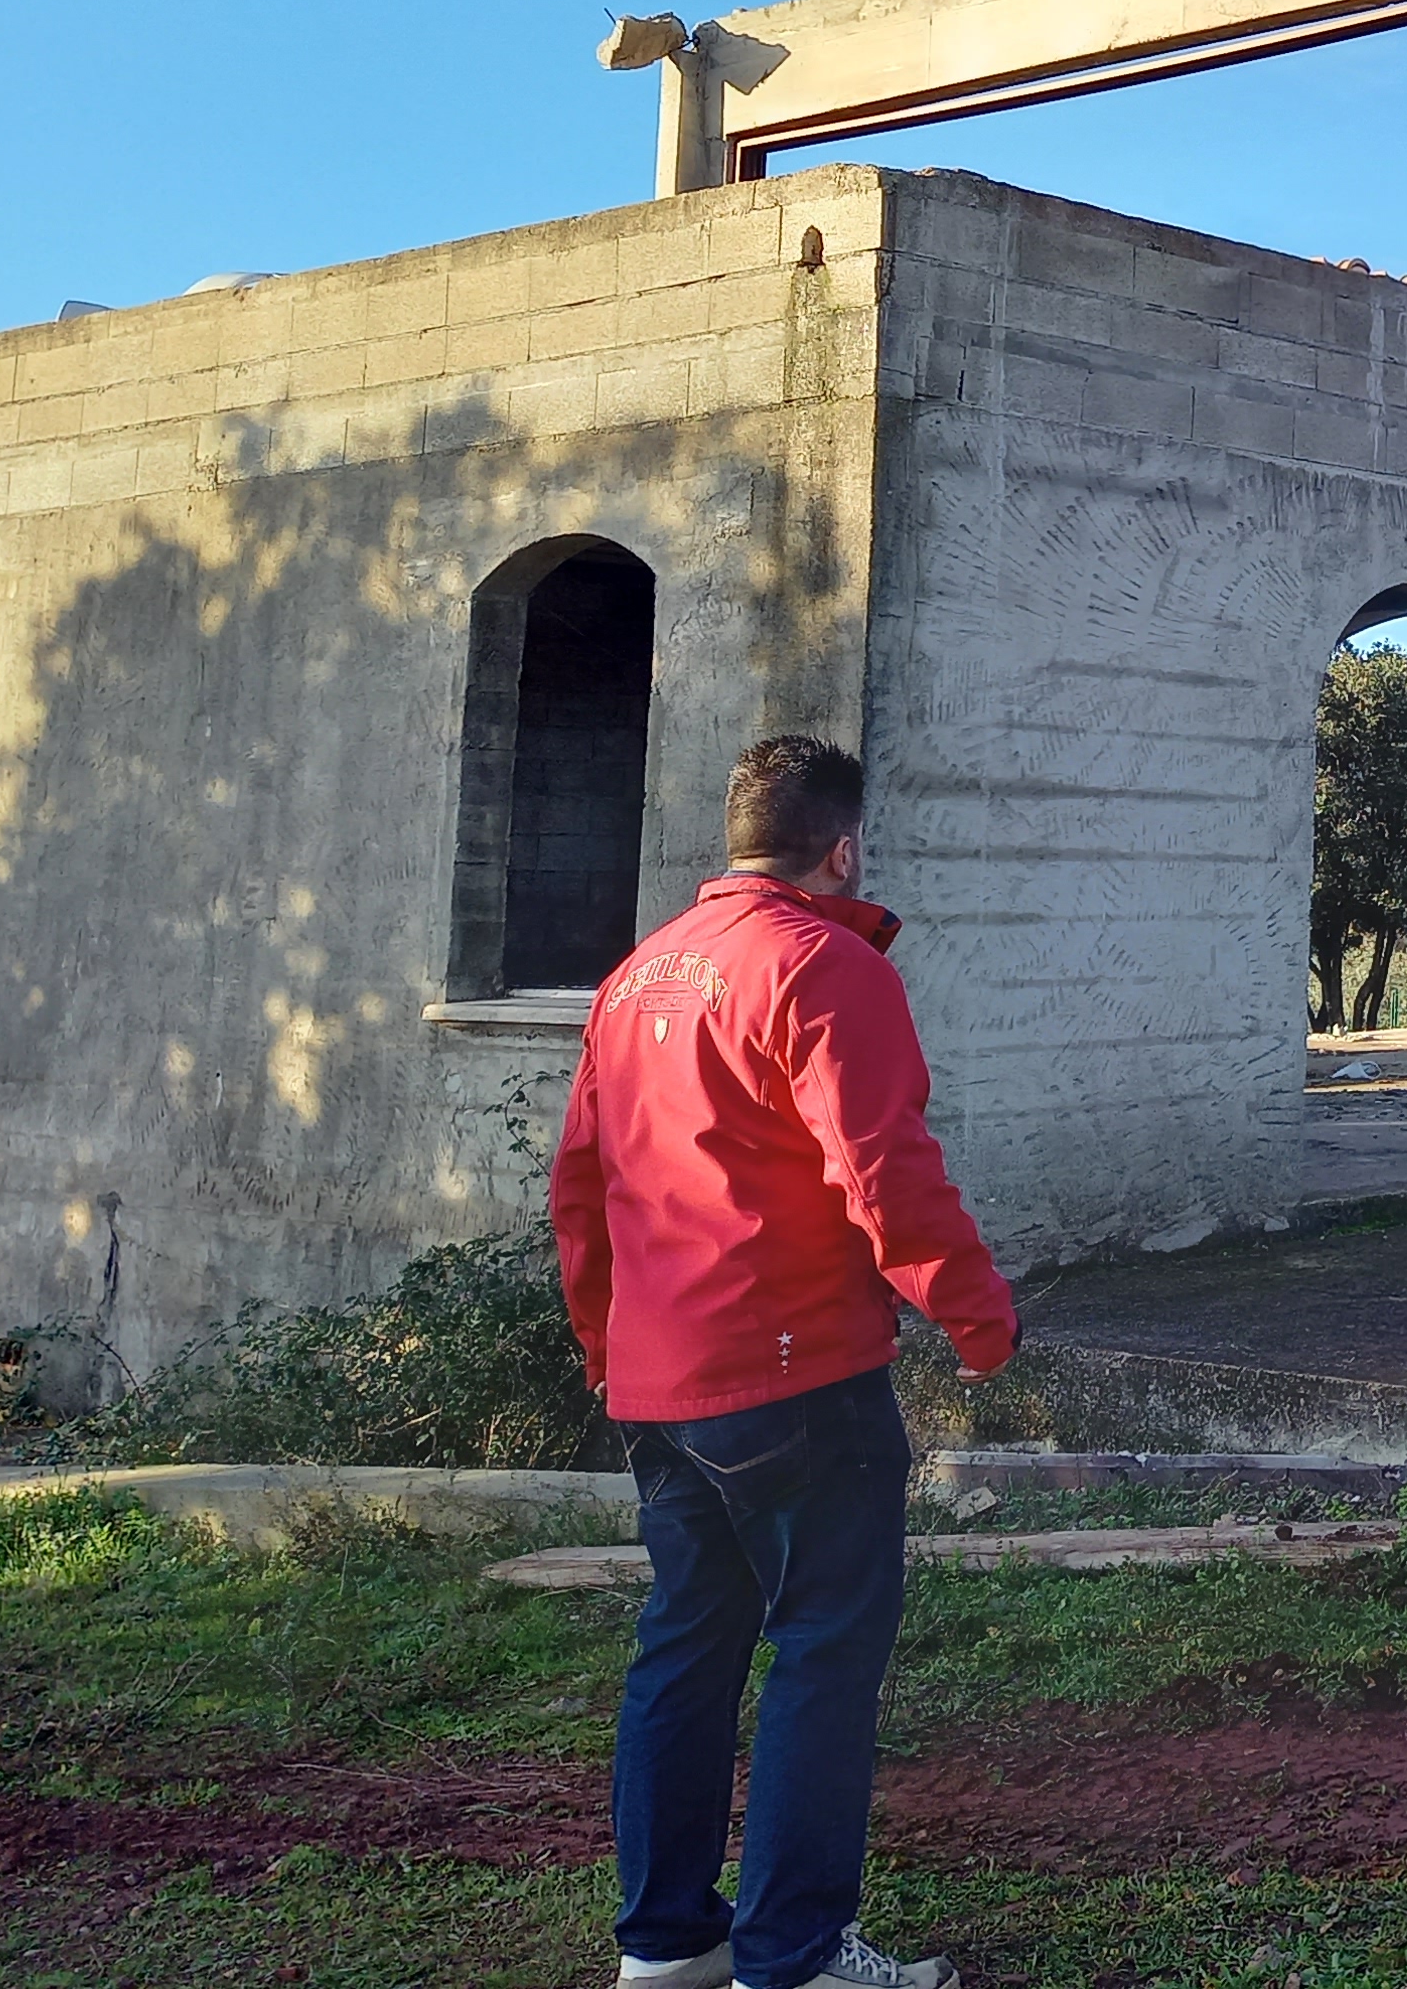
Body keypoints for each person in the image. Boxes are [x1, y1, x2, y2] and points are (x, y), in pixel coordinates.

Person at [552, 735, 1019, 1989]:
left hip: (660, 1381)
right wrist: (977, 1318)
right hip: (797, 1376)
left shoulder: (636, 976)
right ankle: (796, 1955)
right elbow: (888, 1173)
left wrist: (609, 1347)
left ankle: (666, 1946)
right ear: (843, 845)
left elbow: (581, 1192)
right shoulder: (823, 964)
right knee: (824, 1646)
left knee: (688, 1640)